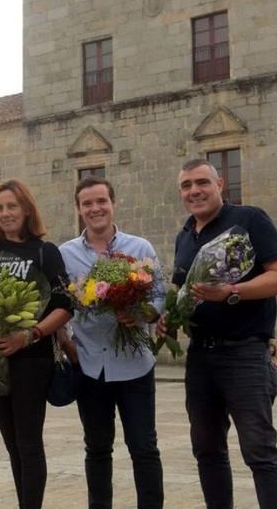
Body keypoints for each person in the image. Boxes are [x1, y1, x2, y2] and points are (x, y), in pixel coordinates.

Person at [166, 158, 277, 509]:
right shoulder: (185, 235)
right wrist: (166, 320)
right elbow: (179, 295)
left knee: (260, 452)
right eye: (187, 185)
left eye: (202, 182)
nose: (195, 191)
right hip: (201, 358)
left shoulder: (250, 219)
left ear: (220, 184)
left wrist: (231, 291)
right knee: (207, 450)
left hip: (245, 354)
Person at [0, 180, 73, 509]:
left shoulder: (44, 251)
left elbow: (66, 305)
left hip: (31, 361)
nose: (6, 213)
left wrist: (29, 335)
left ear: (26, 209)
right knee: (12, 445)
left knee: (28, 443)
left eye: (12, 206)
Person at [60, 176, 165, 509]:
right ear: (79, 209)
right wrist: (67, 345)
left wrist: (143, 314)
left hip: (135, 364)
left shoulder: (140, 248)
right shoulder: (65, 254)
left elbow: (160, 296)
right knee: (97, 449)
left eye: (101, 201)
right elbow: (60, 307)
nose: (95, 209)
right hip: (91, 366)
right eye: (87, 204)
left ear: (113, 203)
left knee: (144, 447)